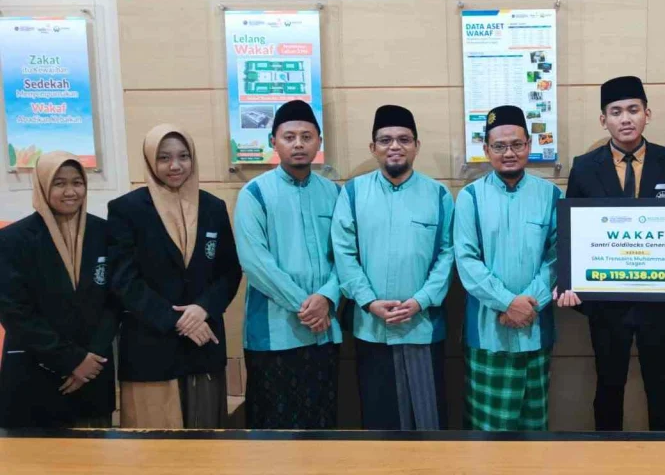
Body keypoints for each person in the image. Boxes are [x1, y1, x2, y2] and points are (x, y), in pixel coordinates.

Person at [564, 75, 665, 431]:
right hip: (607, 301)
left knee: (662, 388)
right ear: (603, 119)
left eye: (633, 110)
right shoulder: (584, 167)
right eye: (616, 112)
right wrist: (576, 287)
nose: (625, 119)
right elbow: (572, 231)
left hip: (661, 299)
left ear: (647, 114)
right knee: (608, 386)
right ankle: (606, 456)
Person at [107, 125, 241, 428]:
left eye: (183, 156)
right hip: (151, 346)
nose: (175, 165)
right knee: (155, 445)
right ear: (149, 160)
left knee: (207, 441)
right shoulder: (126, 209)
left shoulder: (213, 207)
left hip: (203, 344)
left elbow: (230, 270)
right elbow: (124, 280)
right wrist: (176, 320)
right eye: (164, 158)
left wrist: (203, 308)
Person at [334, 105, 454, 430]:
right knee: (379, 420)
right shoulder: (353, 193)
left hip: (423, 325)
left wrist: (421, 300)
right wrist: (369, 301)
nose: (395, 146)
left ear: (416, 145)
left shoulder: (438, 194)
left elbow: (448, 254)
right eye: (385, 140)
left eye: (404, 139)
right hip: (371, 326)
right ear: (373, 147)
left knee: (428, 420)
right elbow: (344, 253)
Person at [235, 100, 343, 429]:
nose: (298, 144)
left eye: (306, 137)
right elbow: (255, 263)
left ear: (319, 142)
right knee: (273, 429)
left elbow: (347, 255)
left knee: (321, 423)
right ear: (274, 142)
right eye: (289, 137)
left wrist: (327, 297)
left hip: (324, 331)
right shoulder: (254, 193)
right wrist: (308, 307)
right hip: (275, 334)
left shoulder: (335, 193)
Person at [455, 105, 562, 431]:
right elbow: (466, 260)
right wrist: (507, 303)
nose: (509, 153)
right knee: (488, 433)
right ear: (486, 149)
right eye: (499, 146)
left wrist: (528, 304)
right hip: (488, 332)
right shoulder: (470, 197)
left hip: (535, 328)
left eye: (516, 144)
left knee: (534, 430)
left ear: (529, 145)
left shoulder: (551, 195)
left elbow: (558, 257)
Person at [0, 152, 118, 428]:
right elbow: (14, 312)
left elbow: (114, 301)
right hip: (36, 374)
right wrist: (71, 360)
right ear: (42, 185)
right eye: (59, 183)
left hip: (93, 372)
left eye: (77, 182)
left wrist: (90, 360)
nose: (70, 192)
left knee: (97, 452)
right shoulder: (13, 240)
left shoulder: (105, 233)